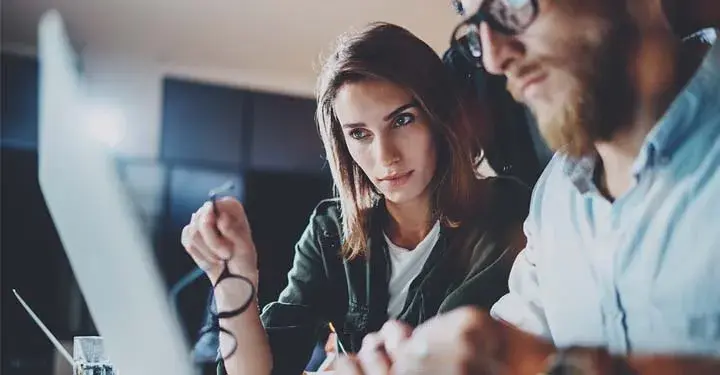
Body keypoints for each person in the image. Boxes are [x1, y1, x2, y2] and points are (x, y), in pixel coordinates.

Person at [337, 1, 720, 374]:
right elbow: (512, 335)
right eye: (476, 28)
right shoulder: (555, 196)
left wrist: (552, 368)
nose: (494, 58)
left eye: (512, 6)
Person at [180, 22, 530, 375]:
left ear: (439, 117)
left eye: (403, 120)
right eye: (360, 134)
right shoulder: (330, 230)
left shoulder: (503, 212)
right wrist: (232, 277)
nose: (385, 156)